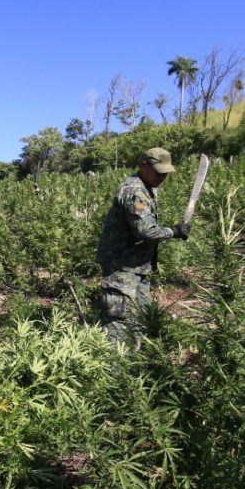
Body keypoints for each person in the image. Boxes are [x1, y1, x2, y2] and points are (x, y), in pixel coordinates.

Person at [95, 147, 190, 345]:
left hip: (137, 265)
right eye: (158, 172)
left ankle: (134, 358)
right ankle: (115, 367)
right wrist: (174, 231)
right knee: (119, 320)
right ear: (143, 165)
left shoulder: (147, 188)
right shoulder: (135, 191)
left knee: (138, 314)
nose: (162, 177)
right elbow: (147, 232)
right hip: (122, 266)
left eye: (165, 173)